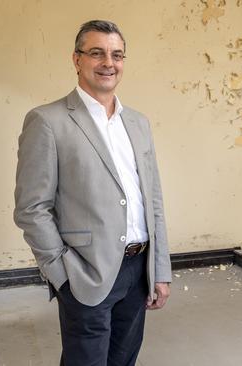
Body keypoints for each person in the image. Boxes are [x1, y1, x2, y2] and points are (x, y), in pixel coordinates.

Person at [14, 20, 171, 366]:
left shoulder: (138, 123)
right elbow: (31, 208)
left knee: (123, 360)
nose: (108, 63)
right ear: (77, 59)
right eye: (96, 53)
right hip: (85, 272)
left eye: (117, 55)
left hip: (138, 269)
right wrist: (61, 274)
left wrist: (160, 270)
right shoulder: (48, 121)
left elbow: (153, 201)